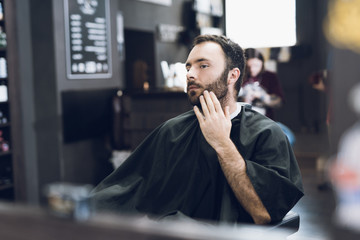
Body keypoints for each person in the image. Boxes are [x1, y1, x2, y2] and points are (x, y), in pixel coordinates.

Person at [91, 35, 304, 225]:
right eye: (188, 67)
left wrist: (222, 143)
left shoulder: (267, 135)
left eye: (202, 66)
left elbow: (264, 213)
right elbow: (123, 189)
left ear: (232, 75)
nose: (190, 74)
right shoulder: (172, 131)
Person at [239, 48, 284, 121]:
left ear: (262, 64)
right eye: (248, 66)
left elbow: (279, 102)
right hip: (243, 121)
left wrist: (259, 95)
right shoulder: (238, 76)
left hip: (266, 121)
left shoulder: (270, 76)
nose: (252, 69)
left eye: (256, 66)